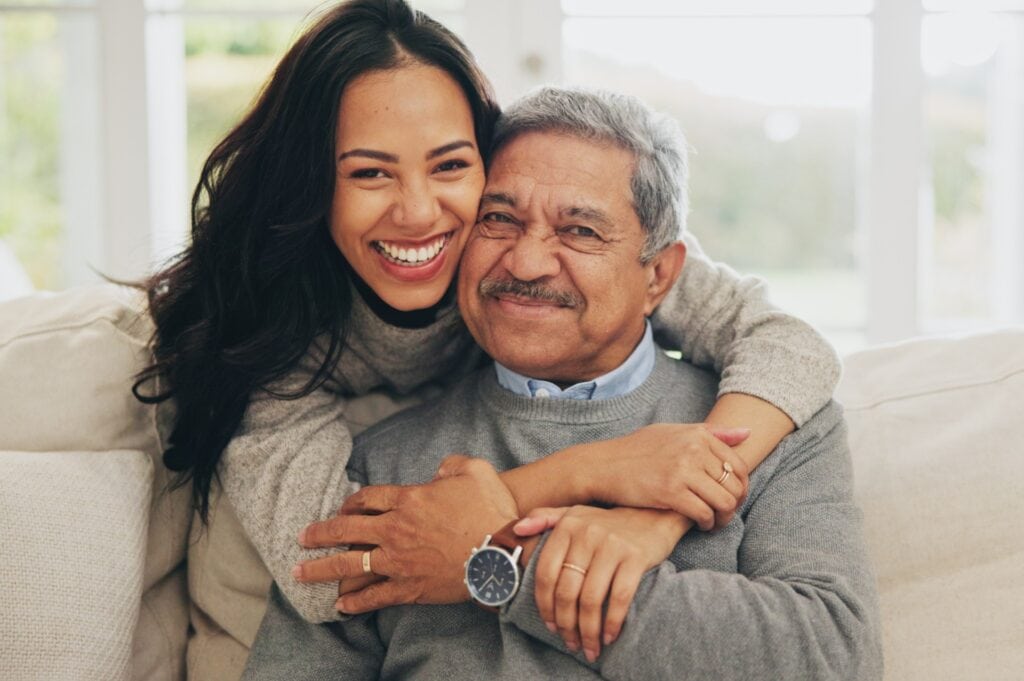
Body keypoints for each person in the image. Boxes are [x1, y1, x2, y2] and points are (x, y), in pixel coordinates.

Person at [134, 0, 841, 677]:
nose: (417, 213)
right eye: (370, 172)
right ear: (315, 185)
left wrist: (646, 517)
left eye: (448, 166)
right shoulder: (329, 411)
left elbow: (790, 344)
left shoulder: (763, 413)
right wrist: (569, 485)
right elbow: (341, 577)